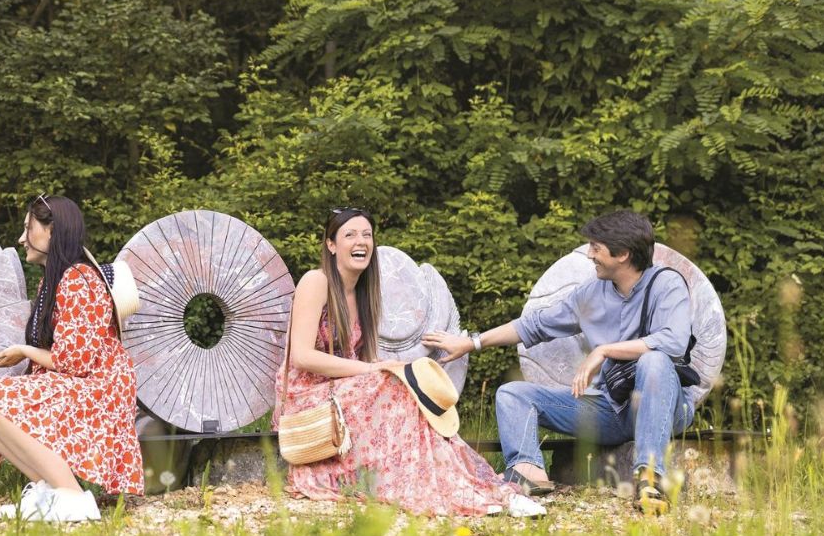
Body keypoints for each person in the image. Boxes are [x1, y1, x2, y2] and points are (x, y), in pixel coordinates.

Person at [275, 207, 545, 517]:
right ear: (331, 245)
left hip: (342, 389)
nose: (360, 241)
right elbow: (302, 356)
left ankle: (472, 486)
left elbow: (361, 358)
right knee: (393, 383)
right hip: (306, 396)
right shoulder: (316, 281)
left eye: (367, 234)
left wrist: (384, 369)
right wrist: (374, 370)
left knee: (407, 387)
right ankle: (452, 489)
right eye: (349, 235)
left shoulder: (364, 292)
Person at [422, 210, 693, 515]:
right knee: (512, 394)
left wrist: (603, 350)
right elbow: (534, 326)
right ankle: (529, 472)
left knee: (654, 361)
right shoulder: (592, 293)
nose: (590, 255)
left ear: (623, 254)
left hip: (665, 407)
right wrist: (472, 342)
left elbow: (673, 342)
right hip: (612, 409)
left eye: (596, 247)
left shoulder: (666, 284)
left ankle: (650, 478)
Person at [0, 194, 144, 523]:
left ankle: (71, 495)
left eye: (29, 228)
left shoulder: (79, 279)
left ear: (52, 231)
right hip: (78, 383)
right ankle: (48, 489)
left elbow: (76, 362)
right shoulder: (53, 282)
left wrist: (24, 351)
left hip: (99, 389)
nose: (22, 238)